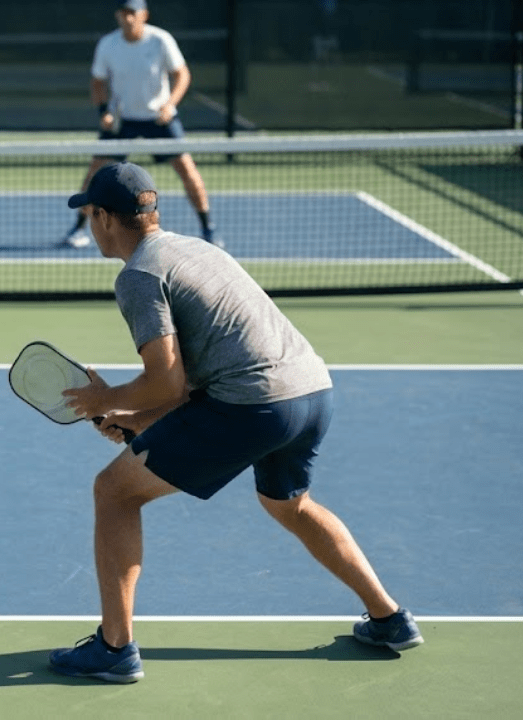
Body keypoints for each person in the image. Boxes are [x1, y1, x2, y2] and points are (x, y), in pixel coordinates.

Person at [48, 162, 422, 684]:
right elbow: (201, 380)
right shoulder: (199, 250)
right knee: (289, 504)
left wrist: (104, 399)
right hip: (312, 391)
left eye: (91, 214)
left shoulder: (138, 276)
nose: (90, 222)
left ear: (108, 219)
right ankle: (389, 619)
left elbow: (167, 383)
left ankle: (114, 648)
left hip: (256, 405)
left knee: (114, 492)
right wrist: (137, 419)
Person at [63, 0, 219, 249]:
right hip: (122, 121)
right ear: (118, 15)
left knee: (188, 171)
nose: (128, 18)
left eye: (133, 13)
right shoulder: (108, 44)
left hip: (159, 120)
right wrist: (104, 111)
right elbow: (97, 82)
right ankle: (78, 229)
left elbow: (182, 74)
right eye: (124, 13)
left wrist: (169, 105)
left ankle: (208, 228)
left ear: (144, 15)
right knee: (95, 172)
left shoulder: (161, 40)